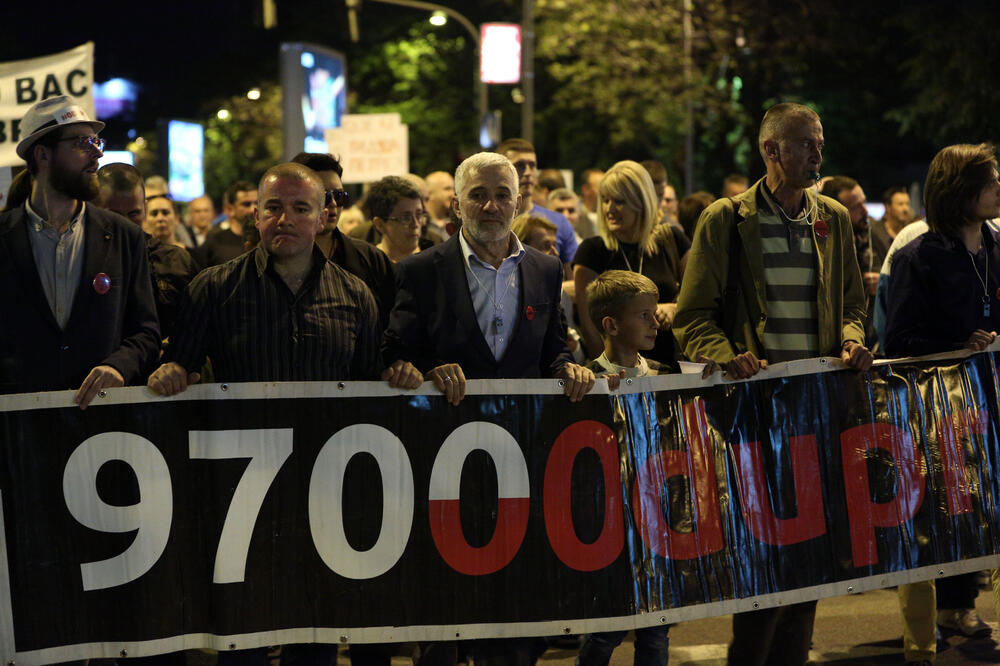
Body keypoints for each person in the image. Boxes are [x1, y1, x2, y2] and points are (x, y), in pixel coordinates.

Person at [673, 102, 872, 665]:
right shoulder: (725, 219)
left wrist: (852, 340)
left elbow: (854, 305)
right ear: (771, 150)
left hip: (817, 412)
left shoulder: (830, 217)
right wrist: (727, 355)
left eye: (819, 142)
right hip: (754, 419)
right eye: (807, 143)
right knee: (763, 557)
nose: (818, 154)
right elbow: (691, 319)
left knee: (811, 559)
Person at [884, 143, 1000, 662]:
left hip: (990, 409)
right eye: (990, 180)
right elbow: (899, 345)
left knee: (978, 513)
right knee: (937, 518)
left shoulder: (997, 248)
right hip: (938, 414)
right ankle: (920, 638)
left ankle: (960, 604)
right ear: (961, 191)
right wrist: (956, 348)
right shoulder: (918, 257)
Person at [0, 95, 160, 407]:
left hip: (101, 423)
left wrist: (118, 366)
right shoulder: (4, 237)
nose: (97, 152)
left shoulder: (125, 236)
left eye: (96, 140)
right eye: (81, 142)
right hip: (17, 429)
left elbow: (146, 331)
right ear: (43, 155)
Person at [573, 160, 689, 370]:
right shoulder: (591, 252)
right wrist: (609, 370)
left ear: (641, 201)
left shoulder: (673, 240)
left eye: (619, 201)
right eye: (605, 200)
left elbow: (696, 298)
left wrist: (675, 308)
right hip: (616, 375)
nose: (609, 209)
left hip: (669, 368)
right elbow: (590, 327)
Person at [291, 152, 396, 333]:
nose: (332, 204)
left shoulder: (371, 259)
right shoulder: (281, 258)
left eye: (339, 196)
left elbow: (393, 323)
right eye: (323, 195)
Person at [96, 164, 200, 342]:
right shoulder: (78, 261)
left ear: (144, 208)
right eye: (114, 215)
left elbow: (200, 325)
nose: (125, 224)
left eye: (134, 214)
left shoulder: (177, 262)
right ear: (93, 209)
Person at [496, 138, 578, 268]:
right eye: (520, 165)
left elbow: (573, 281)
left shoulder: (559, 221)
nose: (528, 172)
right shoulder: (492, 219)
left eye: (532, 165)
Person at [821, 175, 881, 348]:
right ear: (837, 210)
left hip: (870, 339)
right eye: (856, 207)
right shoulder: (827, 246)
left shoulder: (873, 235)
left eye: (864, 202)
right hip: (840, 344)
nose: (865, 211)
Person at [367, 176, 426, 263]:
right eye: (406, 218)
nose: (415, 224)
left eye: (419, 215)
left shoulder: (434, 263)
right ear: (380, 224)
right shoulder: (368, 266)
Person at [198, 180, 257, 266]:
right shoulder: (215, 241)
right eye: (246, 204)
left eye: (257, 203)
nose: (253, 209)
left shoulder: (266, 240)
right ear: (230, 209)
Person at [871, 186, 913, 263]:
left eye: (907, 204)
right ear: (888, 207)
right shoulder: (875, 233)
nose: (905, 209)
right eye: (900, 204)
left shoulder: (911, 232)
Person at [425, 170, 455, 240]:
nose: (453, 194)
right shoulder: (420, 225)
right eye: (447, 189)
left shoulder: (457, 224)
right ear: (430, 194)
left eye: (453, 189)